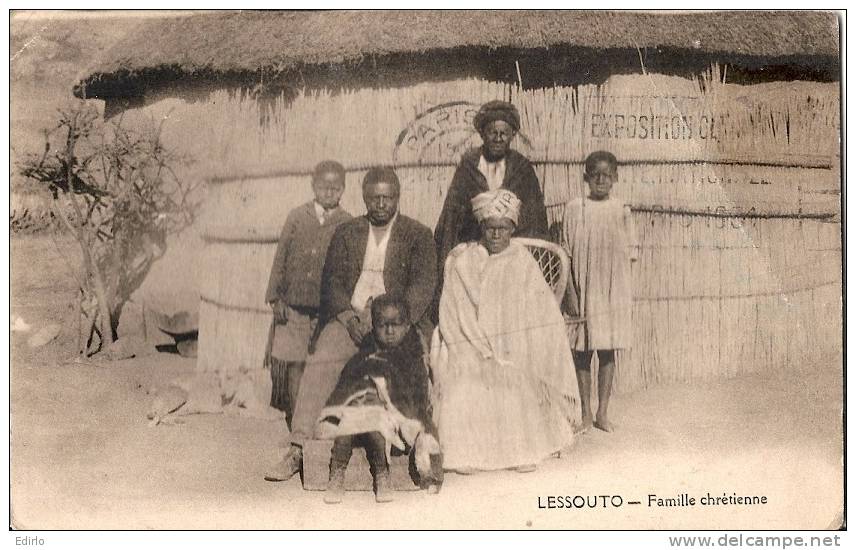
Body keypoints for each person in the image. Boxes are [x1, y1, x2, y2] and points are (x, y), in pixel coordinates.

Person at [264, 166, 437, 482]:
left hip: (394, 325)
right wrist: (348, 317)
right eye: (374, 198)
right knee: (322, 360)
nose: (380, 204)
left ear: (397, 197)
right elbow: (332, 282)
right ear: (364, 198)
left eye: (387, 197)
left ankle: (415, 446)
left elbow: (423, 286)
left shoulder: (417, 234)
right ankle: (299, 445)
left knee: (410, 367)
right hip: (352, 319)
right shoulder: (348, 232)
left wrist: (392, 322)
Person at [432, 189, 579, 473]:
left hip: (515, 347)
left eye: (502, 229)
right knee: (467, 381)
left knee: (515, 378)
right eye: (490, 229)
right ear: (481, 228)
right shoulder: (463, 261)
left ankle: (521, 451)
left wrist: (517, 346)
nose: (496, 236)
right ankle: (468, 455)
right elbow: (454, 312)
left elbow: (542, 313)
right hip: (472, 344)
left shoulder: (522, 261)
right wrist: (476, 348)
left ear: (512, 228)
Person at [316, 295, 442, 504]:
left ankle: (382, 474)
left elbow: (418, 394)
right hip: (367, 411)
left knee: (378, 426)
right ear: (374, 326)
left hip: (398, 419)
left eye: (396, 325)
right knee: (350, 421)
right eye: (383, 325)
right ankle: (337, 471)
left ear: (407, 325)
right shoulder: (368, 350)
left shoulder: (412, 354)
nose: (390, 332)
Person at [432, 100, 548, 321]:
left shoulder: (522, 168)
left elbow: (535, 219)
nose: (497, 138)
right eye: (492, 132)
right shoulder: (469, 167)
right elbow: (452, 217)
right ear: (482, 133)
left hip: (512, 247)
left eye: (503, 133)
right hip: (475, 246)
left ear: (513, 134)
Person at [264, 160, 352, 424]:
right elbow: (281, 257)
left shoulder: (346, 222)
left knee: (320, 366)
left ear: (343, 190)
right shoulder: (297, 216)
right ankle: (295, 423)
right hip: (293, 305)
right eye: (324, 187)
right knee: (295, 362)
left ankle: (314, 421)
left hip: (325, 310)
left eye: (335, 188)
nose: (329, 192)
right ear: (313, 186)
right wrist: (275, 297)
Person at [562, 151, 639, 433]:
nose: (601, 180)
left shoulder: (622, 210)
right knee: (582, 351)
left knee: (607, 350)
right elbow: (566, 254)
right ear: (586, 178)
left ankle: (602, 412)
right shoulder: (574, 208)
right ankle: (584, 412)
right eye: (595, 175)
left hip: (612, 290)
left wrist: (622, 294)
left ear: (615, 178)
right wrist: (570, 291)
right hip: (583, 288)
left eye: (607, 175)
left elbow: (629, 255)